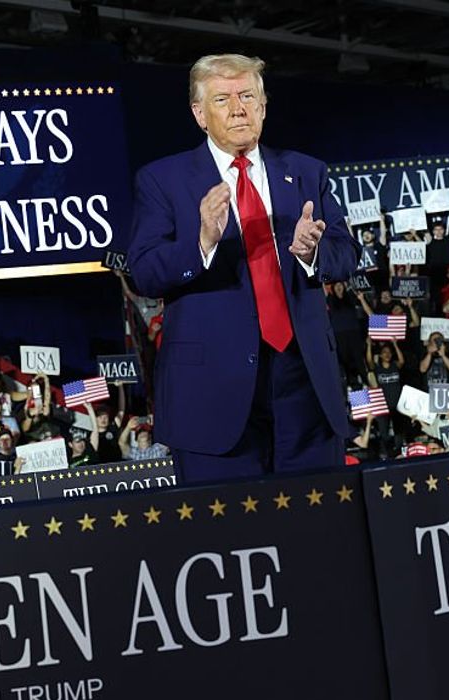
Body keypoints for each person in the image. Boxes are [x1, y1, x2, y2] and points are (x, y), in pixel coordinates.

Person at [127, 53, 357, 482]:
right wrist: (200, 242)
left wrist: (312, 252)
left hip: (304, 385)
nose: (238, 109)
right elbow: (143, 272)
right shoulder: (162, 180)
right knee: (232, 538)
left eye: (248, 96)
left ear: (264, 106)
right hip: (212, 394)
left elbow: (347, 254)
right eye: (222, 99)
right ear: (199, 113)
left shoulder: (307, 172)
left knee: (320, 531)